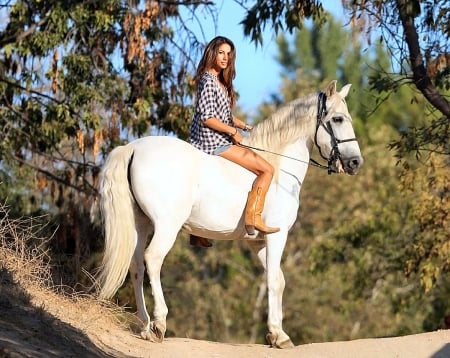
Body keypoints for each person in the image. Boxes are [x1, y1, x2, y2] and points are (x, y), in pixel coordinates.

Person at [189, 36, 279, 247]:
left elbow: (225, 115)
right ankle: (253, 216)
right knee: (267, 170)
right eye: (221, 52)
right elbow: (207, 117)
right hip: (211, 140)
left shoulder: (219, 82)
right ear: (212, 53)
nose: (225, 58)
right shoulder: (207, 80)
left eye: (229, 54)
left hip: (220, 135)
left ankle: (197, 232)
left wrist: (243, 126)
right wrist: (233, 132)